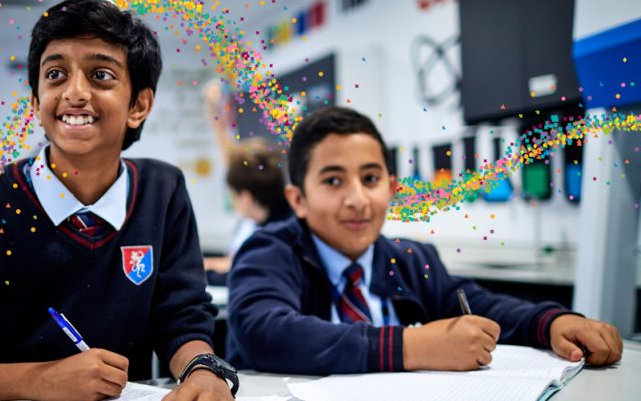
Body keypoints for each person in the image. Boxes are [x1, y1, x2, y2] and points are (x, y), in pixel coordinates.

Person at [0, 0, 235, 401]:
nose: (75, 92)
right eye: (55, 74)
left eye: (101, 75)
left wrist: (202, 369)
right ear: (37, 103)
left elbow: (180, 316)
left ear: (139, 105)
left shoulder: (163, 190)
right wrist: (39, 380)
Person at [226, 106, 623, 374]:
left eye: (370, 179)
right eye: (333, 180)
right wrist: (413, 346)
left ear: (391, 187)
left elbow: (476, 303)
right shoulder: (268, 252)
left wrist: (550, 321)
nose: (358, 199)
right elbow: (265, 333)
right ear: (297, 199)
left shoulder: (410, 258)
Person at [201, 80, 290, 284]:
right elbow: (233, 160)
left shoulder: (276, 237)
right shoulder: (257, 215)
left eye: (233, 194)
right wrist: (215, 117)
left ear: (247, 197)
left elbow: (235, 269)